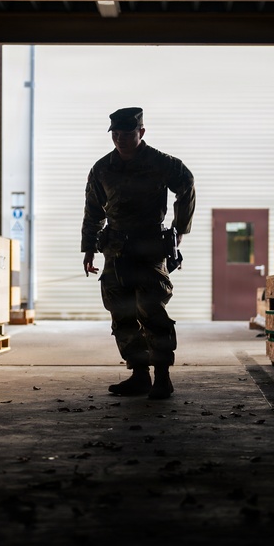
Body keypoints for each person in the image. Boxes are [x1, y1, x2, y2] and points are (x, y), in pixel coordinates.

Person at [81, 107, 196, 399]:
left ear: (141, 133)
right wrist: (88, 248)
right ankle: (139, 374)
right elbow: (93, 211)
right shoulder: (102, 168)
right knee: (121, 314)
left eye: (126, 134)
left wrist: (180, 228)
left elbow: (186, 185)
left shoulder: (160, 163)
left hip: (148, 248)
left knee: (152, 311)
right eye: (115, 134)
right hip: (116, 252)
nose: (119, 139)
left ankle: (162, 377)